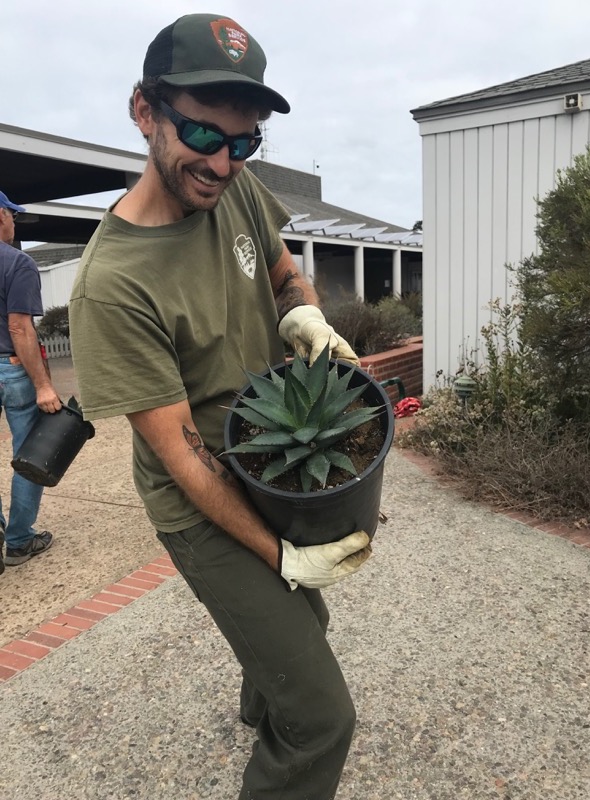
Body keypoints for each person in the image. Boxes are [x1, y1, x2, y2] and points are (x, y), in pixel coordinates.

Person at [69, 13, 371, 798]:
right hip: (200, 502)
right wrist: (281, 557)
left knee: (305, 625)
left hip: (267, 458)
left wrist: (303, 310)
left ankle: (265, 686)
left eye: (245, 144)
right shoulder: (115, 285)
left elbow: (282, 273)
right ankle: (283, 710)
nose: (222, 163)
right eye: (204, 135)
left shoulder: (232, 189)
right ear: (144, 111)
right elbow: (183, 458)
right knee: (322, 719)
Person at [0, 191, 61, 573]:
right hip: (10, 368)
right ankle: (19, 542)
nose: (14, 225)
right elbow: (19, 326)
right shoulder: (16, 262)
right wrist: (43, 386)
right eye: (12, 217)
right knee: (29, 454)